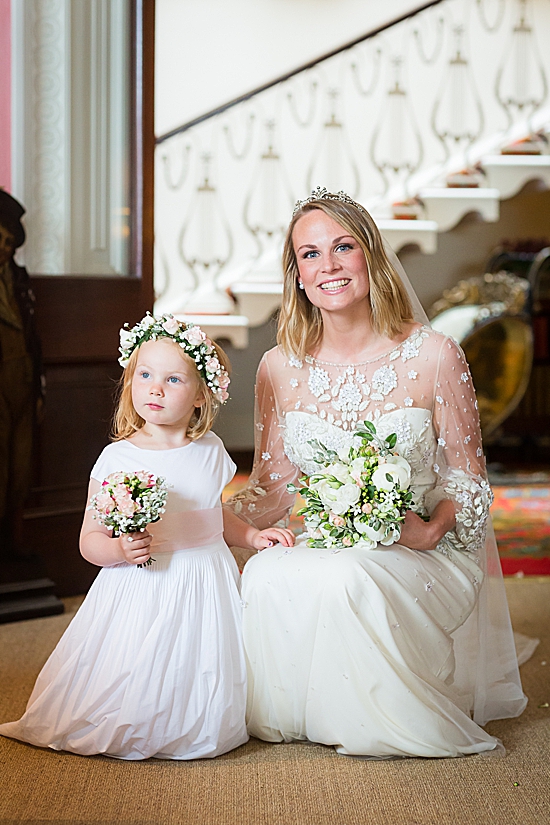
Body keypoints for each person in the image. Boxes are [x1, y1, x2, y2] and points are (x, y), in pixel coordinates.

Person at [225, 188, 534, 759]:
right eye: (310, 254)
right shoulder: (278, 366)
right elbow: (273, 486)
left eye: (343, 247)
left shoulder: (434, 354)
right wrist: (207, 518)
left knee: (351, 577)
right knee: (266, 573)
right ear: (296, 275)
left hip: (422, 547)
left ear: (371, 255)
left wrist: (429, 528)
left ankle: (377, 720)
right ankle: (299, 714)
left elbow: (469, 482)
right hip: (329, 537)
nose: (329, 266)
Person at [0, 314, 292, 760]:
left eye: (173, 379)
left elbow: (212, 514)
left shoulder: (210, 449)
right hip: (144, 581)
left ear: (200, 397)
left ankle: (197, 719)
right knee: (141, 662)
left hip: (204, 578)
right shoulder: (117, 457)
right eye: (145, 375)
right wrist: (117, 548)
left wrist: (251, 535)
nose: (154, 388)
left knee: (201, 658)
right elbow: (89, 539)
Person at [0, 190, 44, 557]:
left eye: (8, 240)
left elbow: (33, 337)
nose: (3, 246)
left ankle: (13, 546)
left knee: (20, 470)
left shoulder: (18, 280)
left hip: (23, 384)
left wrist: (39, 389)